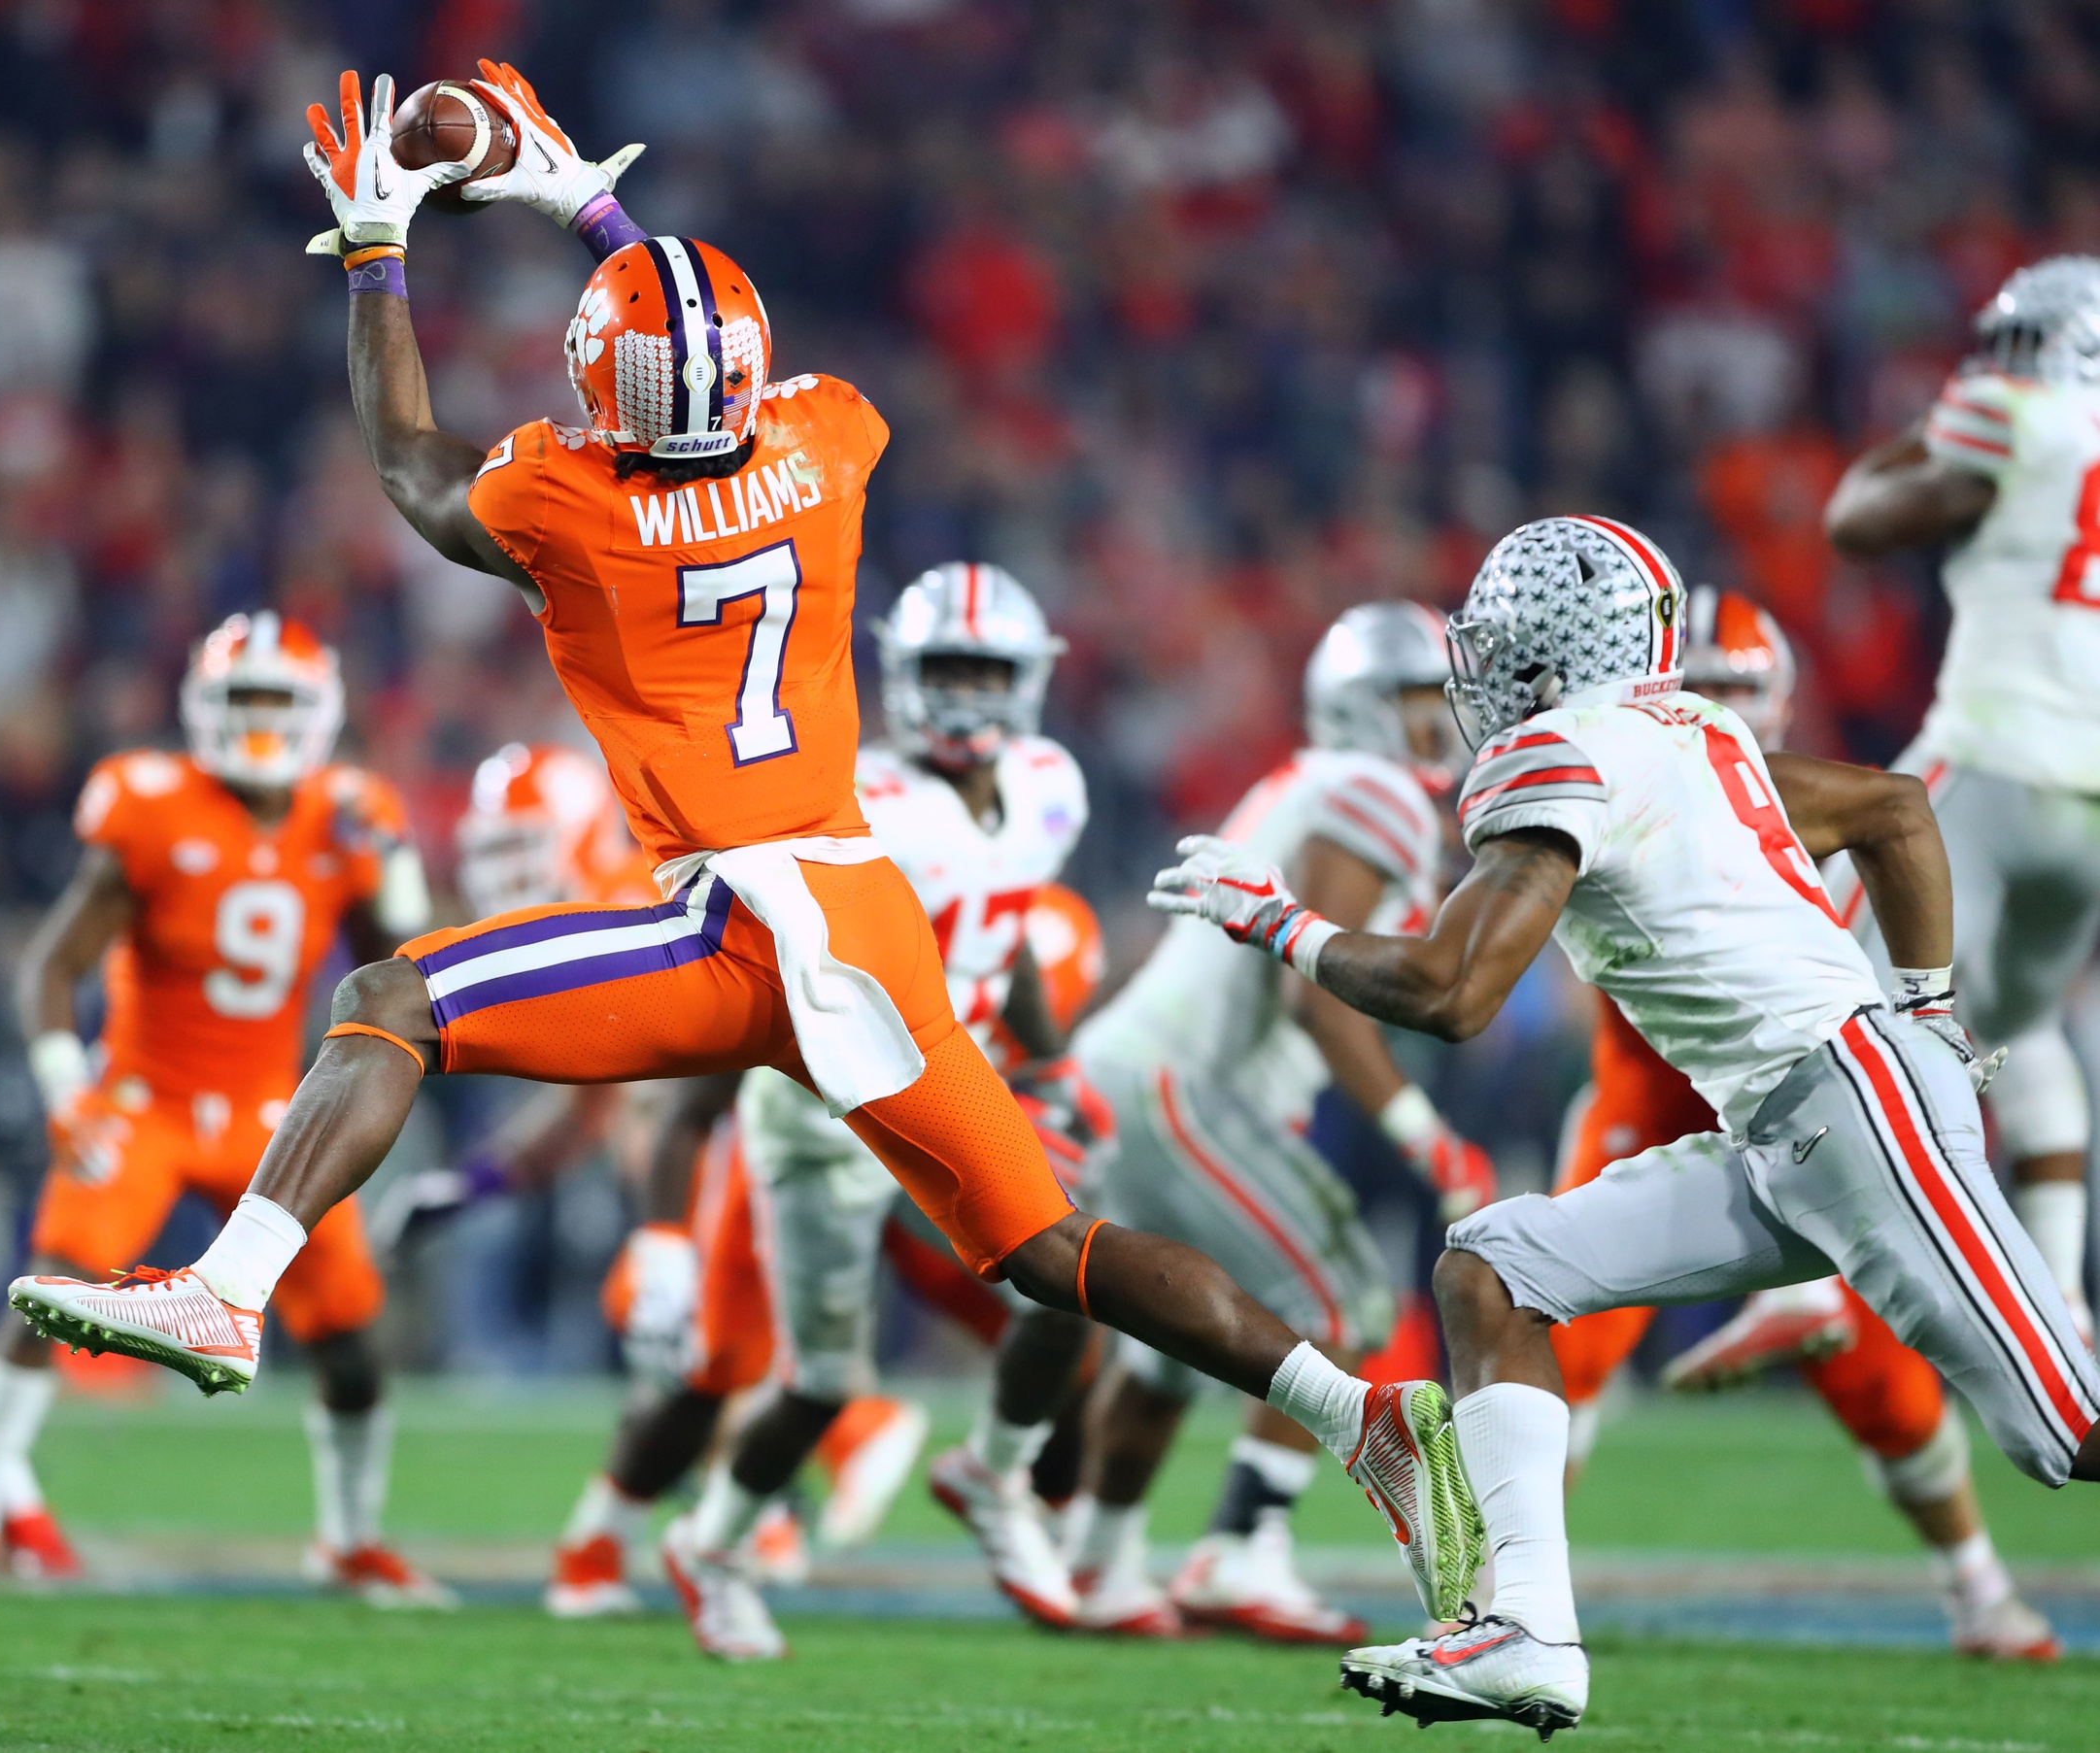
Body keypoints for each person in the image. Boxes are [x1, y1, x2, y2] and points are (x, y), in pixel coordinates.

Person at [6, 61, 1484, 1631]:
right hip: (863, 906)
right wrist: (588, 202)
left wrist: (380, 247)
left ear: (599, 393)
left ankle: (228, 1293)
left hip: (738, 924)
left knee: (390, 1001)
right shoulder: (827, 443)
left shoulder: (568, 499)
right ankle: (1354, 1413)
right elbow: (703, 358)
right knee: (1049, 1247)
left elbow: (406, 458)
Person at [1155, 515, 2100, 1737]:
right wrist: (1927, 1000)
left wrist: (1279, 920)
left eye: (1502, 644)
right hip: (1781, 1128)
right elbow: (1893, 807)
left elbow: (1452, 992)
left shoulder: (1557, 756)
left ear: (1556, 649)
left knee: (2069, 1432)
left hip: (1852, 1100)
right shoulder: (1695, 728)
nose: (1479, 671)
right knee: (1491, 1270)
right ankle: (1527, 1633)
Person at [1545, 587, 2057, 1661]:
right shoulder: (1623, 779)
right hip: (1650, 1108)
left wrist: (1935, 1026)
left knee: (1886, 1380)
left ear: (1778, 695)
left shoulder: (1814, 803)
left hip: (1797, 1122)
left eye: (1741, 687)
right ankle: (1511, 1588)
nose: (1725, 701)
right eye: (1707, 686)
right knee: (1552, 1342)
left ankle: (1975, 1585)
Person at [0, 613, 442, 1606]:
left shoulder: (347, 811)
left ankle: (348, 1538)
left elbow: (400, 962)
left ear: (318, 713)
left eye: (276, 701)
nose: (256, 722)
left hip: (268, 1112)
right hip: (142, 1098)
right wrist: (66, 1087)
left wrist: (396, 870)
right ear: (203, 708)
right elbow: (51, 961)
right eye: (241, 699)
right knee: (49, 1291)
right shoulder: (150, 803)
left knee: (352, 1333)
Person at [637, 561, 1092, 1659]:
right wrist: (682, 1139)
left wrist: (1045, 1050)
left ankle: (989, 1472)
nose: (970, 693)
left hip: (952, 1088)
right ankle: (715, 1545)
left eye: (988, 670)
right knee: (822, 1379)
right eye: (948, 669)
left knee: (1068, 1286)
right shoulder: (857, 798)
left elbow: (1009, 924)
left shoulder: (1047, 783)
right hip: (827, 1105)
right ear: (901, 675)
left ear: (1027, 681)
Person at [1065, 600, 1490, 1643]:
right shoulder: (1374, 789)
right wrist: (1424, 1133)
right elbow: (1317, 988)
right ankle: (1238, 1551)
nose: (1435, 719)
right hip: (1184, 1082)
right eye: (1412, 697)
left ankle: (1098, 1562)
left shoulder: (1305, 781)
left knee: (1174, 1341)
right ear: (1359, 705)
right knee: (1343, 1289)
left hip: (1131, 1073)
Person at [1826, 255, 2100, 1342]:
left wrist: (1910, 436)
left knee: (1823, 964)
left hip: (1992, 756)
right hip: (2091, 806)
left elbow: (1858, 524)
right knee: (2017, 1026)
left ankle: (1805, 1290)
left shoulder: (2016, 411)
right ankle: (2065, 1302)